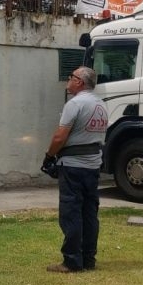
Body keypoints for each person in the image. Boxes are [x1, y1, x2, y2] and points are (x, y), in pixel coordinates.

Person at [42, 66, 107, 272]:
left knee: (71, 213)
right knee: (89, 213)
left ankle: (71, 261)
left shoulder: (75, 104)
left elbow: (60, 137)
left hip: (73, 166)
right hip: (93, 165)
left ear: (79, 82)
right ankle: (88, 259)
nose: (68, 81)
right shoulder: (101, 104)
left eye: (71, 77)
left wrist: (49, 156)